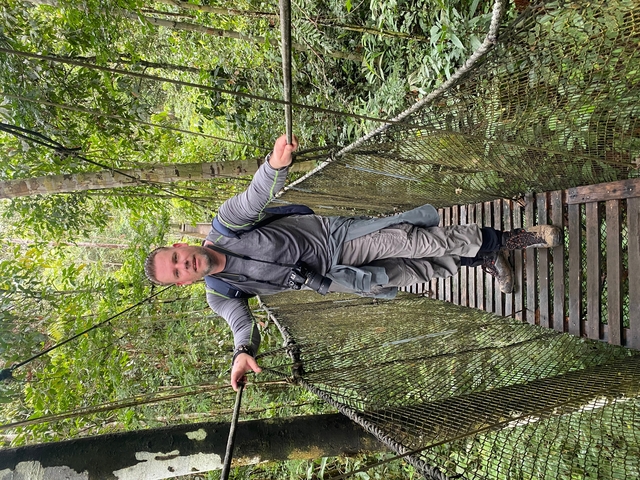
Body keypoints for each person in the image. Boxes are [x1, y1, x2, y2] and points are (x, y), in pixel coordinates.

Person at [144, 134, 562, 391]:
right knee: (418, 270)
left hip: (334, 238)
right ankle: (488, 258)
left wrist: (274, 167)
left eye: (177, 257)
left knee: (415, 242)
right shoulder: (220, 295)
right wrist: (241, 351)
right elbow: (242, 323)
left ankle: (517, 239)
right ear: (182, 284)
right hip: (331, 277)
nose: (185, 265)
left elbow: (254, 198)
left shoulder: (224, 225)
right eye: (178, 272)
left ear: (181, 244)